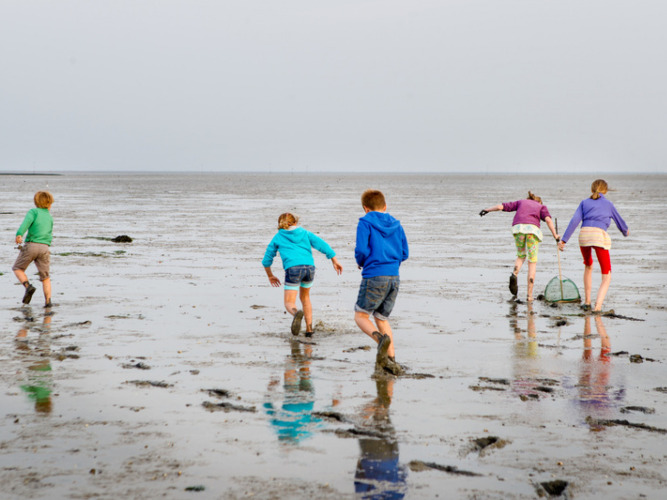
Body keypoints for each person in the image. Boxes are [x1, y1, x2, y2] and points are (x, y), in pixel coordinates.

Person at [354, 189, 409, 374]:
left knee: (361, 316)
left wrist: (362, 262)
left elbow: (362, 250)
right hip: (394, 277)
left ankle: (380, 340)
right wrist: (392, 263)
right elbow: (405, 253)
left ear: (365, 208)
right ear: (385, 206)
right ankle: (391, 360)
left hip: (374, 275)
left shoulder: (365, 222)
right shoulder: (396, 224)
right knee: (382, 318)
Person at [263, 213, 343, 337]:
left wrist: (270, 275)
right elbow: (322, 245)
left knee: (289, 302)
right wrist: (334, 260)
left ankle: (296, 314)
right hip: (309, 268)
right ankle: (309, 329)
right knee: (305, 298)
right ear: (295, 222)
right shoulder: (305, 233)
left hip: (293, 268)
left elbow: (267, 259)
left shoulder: (278, 237)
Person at [558, 179, 629, 312]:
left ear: (592, 189)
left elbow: (574, 221)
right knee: (606, 274)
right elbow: (620, 222)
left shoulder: (584, 202)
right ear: (605, 191)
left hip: (584, 234)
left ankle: (587, 302)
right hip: (598, 236)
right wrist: (625, 231)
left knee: (588, 265)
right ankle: (597, 307)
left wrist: (564, 240)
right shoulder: (608, 204)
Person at [480, 192, 559, 301]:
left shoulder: (521, 202)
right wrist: (555, 235)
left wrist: (487, 210)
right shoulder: (541, 206)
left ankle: (514, 274)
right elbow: (548, 220)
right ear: (539, 201)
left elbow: (500, 207)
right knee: (532, 261)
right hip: (532, 232)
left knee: (521, 255)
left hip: (518, 229)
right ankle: (529, 296)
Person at [13, 191, 54, 307]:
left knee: (18, 268)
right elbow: (49, 232)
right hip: (45, 247)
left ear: (36, 202)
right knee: (45, 277)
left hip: (32, 245)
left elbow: (25, 224)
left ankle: (28, 286)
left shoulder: (33, 212)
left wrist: (19, 234)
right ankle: (48, 302)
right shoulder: (49, 217)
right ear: (49, 203)